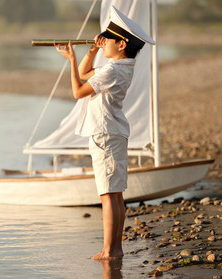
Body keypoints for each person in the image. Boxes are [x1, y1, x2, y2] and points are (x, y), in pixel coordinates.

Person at [56, 6, 155, 260]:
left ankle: (110, 250)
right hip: (113, 132)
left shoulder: (113, 70)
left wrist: (74, 59)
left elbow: (78, 90)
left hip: (105, 134)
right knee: (115, 194)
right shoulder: (119, 67)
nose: (103, 42)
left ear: (121, 44)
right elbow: (85, 75)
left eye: (107, 40)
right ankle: (115, 249)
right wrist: (90, 52)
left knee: (107, 195)